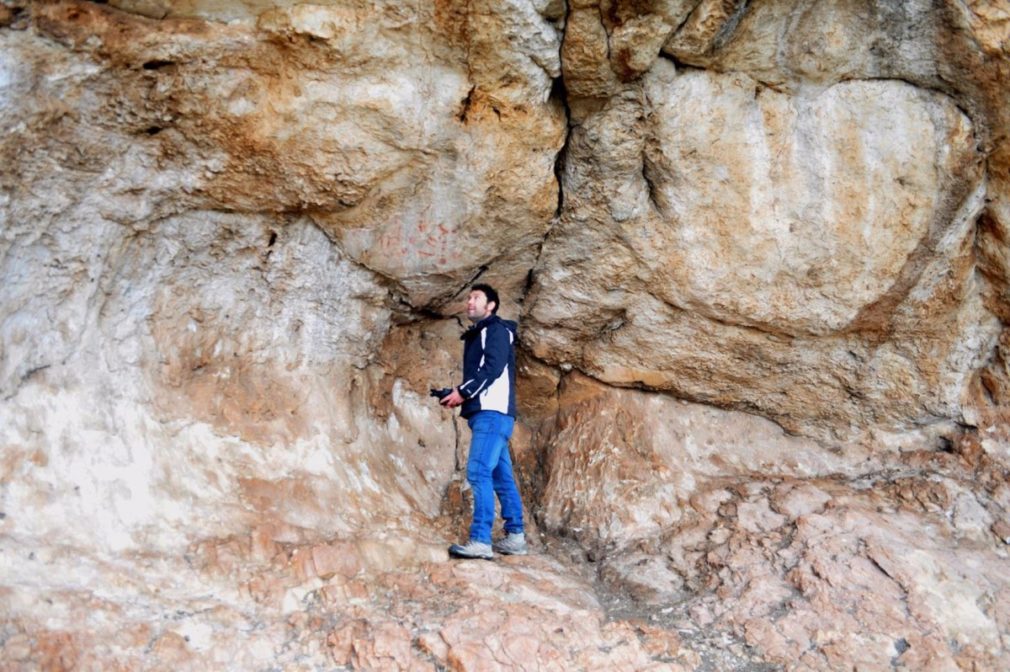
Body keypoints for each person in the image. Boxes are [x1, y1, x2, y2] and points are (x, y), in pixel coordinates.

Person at [439, 283, 528, 559]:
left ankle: (480, 540)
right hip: (492, 414)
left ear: (491, 306)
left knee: (478, 473)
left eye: (476, 298)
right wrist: (456, 393)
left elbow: (492, 369)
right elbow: (484, 374)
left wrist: (463, 392)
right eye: (468, 297)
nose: (470, 302)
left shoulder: (495, 330)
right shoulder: (481, 333)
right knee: (501, 477)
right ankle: (515, 536)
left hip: (491, 414)